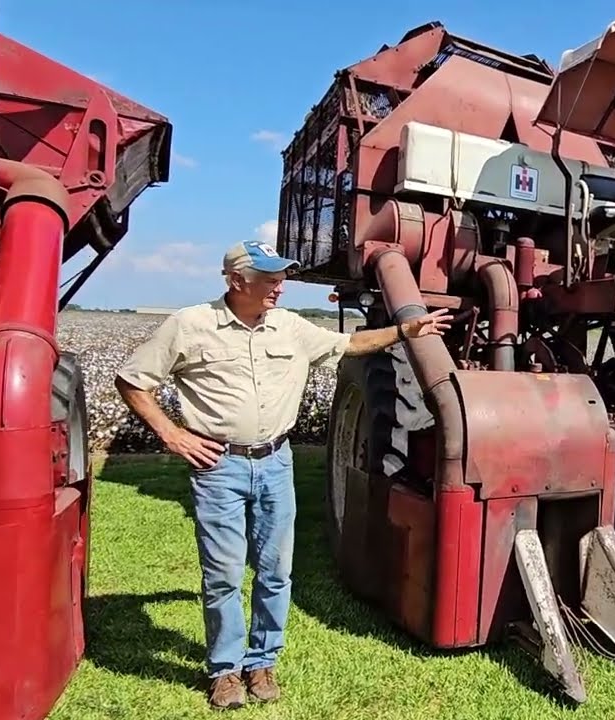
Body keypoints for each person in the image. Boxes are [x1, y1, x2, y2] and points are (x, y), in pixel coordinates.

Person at [115, 240, 450, 710]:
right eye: (270, 278)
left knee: (275, 571)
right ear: (236, 281)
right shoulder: (190, 326)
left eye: (281, 277)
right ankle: (226, 670)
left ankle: (262, 660)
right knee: (224, 573)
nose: (280, 286)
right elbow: (133, 380)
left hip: (276, 462)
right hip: (219, 467)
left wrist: (405, 329)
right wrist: (173, 436)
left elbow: (349, 343)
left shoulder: (290, 327)